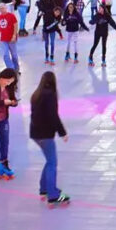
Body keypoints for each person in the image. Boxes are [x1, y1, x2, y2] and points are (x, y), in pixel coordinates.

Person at [30, 72, 70, 206]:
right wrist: (62, 133)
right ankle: (53, 195)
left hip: (35, 134)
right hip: (45, 135)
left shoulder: (36, 94)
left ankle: (44, 189)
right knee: (52, 163)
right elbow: (54, 116)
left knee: (49, 161)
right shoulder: (50, 95)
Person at [0, 4, 20, 72]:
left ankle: (16, 68)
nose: (1, 10)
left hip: (11, 39)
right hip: (3, 39)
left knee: (14, 55)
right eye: (0, 9)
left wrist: (14, 35)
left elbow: (15, 25)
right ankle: (11, 69)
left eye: (3, 8)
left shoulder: (11, 16)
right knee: (5, 55)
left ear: (6, 8)